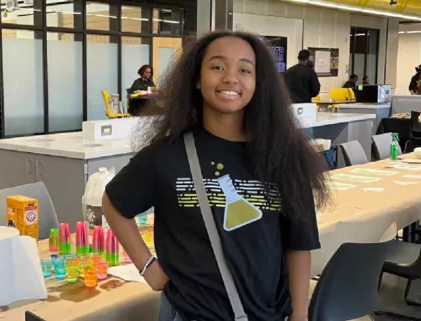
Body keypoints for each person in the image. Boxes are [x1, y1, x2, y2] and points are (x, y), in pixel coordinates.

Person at [103, 31, 328, 321]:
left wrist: (299, 315)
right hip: (189, 313)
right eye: (217, 67)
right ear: (197, 79)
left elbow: (298, 244)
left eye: (245, 70)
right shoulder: (167, 155)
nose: (230, 78)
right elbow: (114, 203)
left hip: (268, 314)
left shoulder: (283, 158)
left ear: (259, 83)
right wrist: (148, 267)